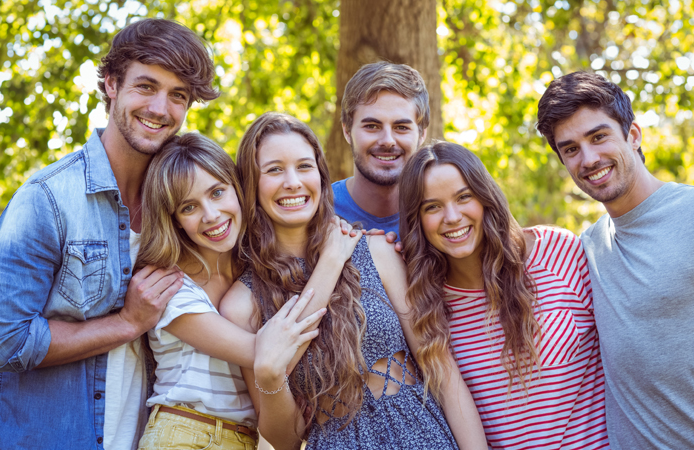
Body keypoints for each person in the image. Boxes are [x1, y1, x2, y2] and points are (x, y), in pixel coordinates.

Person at [0, 19, 218, 449]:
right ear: (112, 84)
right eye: (146, 86)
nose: (160, 108)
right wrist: (127, 323)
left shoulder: (179, 207)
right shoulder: (48, 199)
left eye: (178, 96)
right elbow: (6, 340)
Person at [221, 112, 486, 450]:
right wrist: (271, 377)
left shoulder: (375, 251)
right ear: (250, 184)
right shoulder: (241, 303)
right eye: (274, 170)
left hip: (422, 436)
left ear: (320, 174)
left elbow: (441, 369)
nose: (293, 182)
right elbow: (285, 440)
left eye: (304, 166)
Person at [398, 142, 609, 449]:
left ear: (485, 198)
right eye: (432, 207)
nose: (453, 216)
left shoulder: (558, 252)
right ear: (416, 220)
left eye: (464, 197)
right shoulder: (425, 304)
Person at [133, 133, 333, 450]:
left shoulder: (252, 273)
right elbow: (266, 357)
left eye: (217, 192)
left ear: (237, 189)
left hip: (243, 440)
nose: (211, 215)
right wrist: (333, 261)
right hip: (185, 435)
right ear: (174, 220)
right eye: (189, 207)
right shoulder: (170, 286)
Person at [537, 71, 694, 449]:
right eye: (571, 148)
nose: (589, 158)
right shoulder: (586, 248)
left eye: (599, 136)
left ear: (634, 135)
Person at [332, 61, 429, 234]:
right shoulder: (317, 212)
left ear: (422, 134)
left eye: (401, 127)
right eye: (372, 126)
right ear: (347, 130)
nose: (387, 141)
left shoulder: (440, 215)